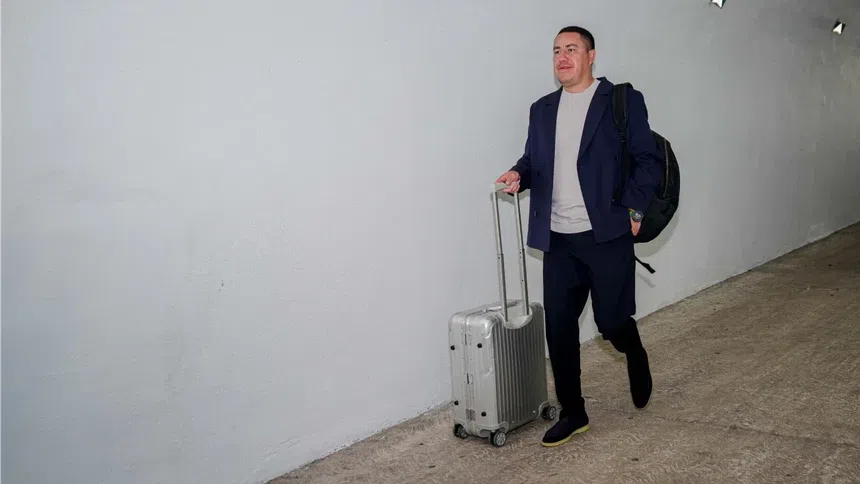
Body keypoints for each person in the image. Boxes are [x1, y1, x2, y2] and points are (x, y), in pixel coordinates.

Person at [495, 26, 664, 448]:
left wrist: (635, 209)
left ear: (591, 56)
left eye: (572, 49)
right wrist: (519, 173)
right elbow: (534, 159)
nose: (563, 57)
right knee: (559, 329)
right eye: (557, 50)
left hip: (606, 234)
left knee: (611, 322)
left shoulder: (620, 100)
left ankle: (633, 350)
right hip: (559, 239)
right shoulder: (542, 109)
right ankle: (574, 411)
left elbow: (647, 159)